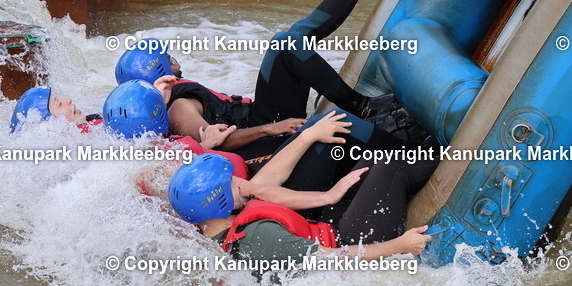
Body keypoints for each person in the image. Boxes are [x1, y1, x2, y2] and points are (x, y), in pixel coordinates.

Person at [116, 0, 400, 156]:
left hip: (264, 117)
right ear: (160, 70)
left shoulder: (178, 97)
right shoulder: (178, 108)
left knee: (293, 38)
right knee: (287, 43)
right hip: (266, 131)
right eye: (167, 57)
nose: (174, 59)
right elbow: (214, 143)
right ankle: (362, 107)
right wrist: (270, 129)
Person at [168, 111, 437, 269]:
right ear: (219, 200)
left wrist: (329, 196)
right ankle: (460, 160)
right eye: (232, 182)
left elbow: (264, 189)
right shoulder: (256, 237)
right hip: (348, 248)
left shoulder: (221, 222)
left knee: (365, 166)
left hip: (330, 230)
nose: (240, 180)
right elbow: (332, 263)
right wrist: (398, 246)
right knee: (388, 168)